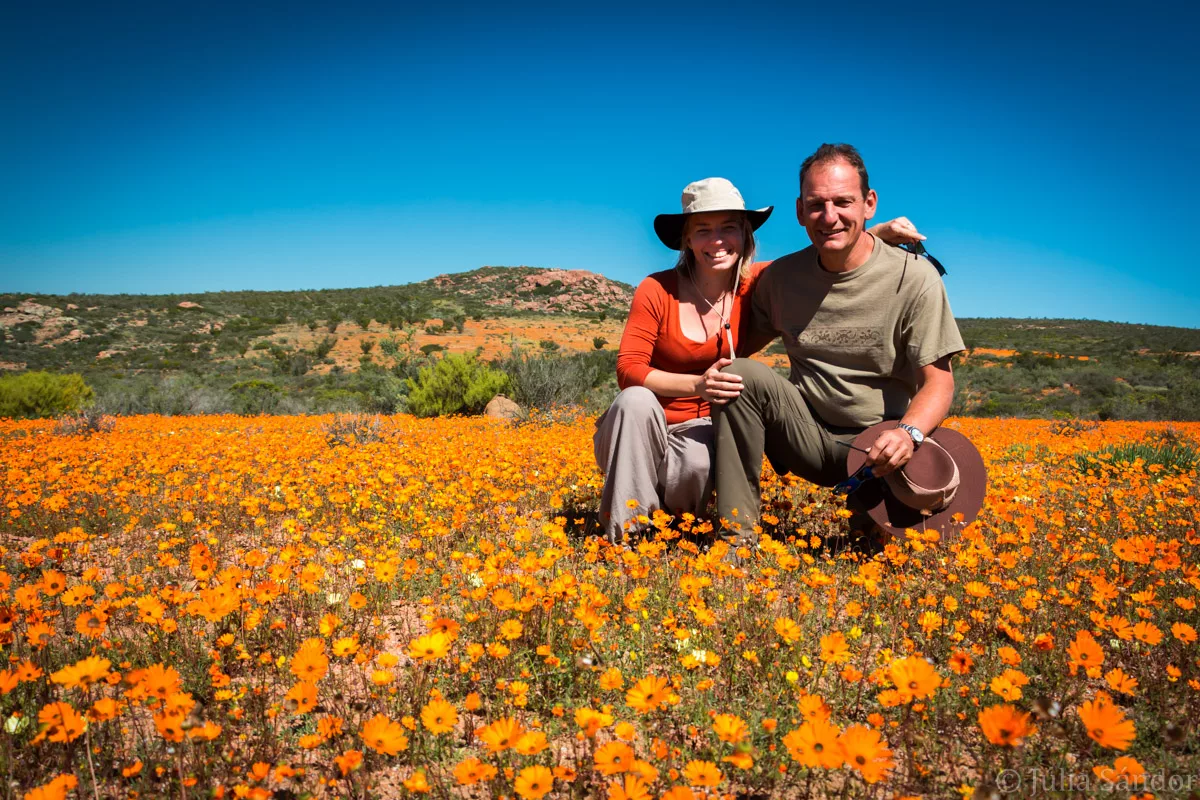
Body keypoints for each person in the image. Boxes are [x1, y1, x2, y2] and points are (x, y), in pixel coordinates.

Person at [593, 175, 924, 542]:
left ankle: (672, 529)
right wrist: (697, 385)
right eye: (703, 230)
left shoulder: (759, 284)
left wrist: (874, 233)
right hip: (643, 426)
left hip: (702, 428)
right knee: (634, 401)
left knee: (700, 459)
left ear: (745, 234)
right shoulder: (656, 289)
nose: (717, 241)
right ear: (686, 238)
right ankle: (626, 537)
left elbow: (819, 258)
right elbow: (629, 369)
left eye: (729, 228)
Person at [713, 143, 966, 542]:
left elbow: (939, 382)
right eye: (816, 205)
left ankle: (873, 508)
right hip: (808, 438)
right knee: (738, 375)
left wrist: (907, 435)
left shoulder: (914, 279)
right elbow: (730, 340)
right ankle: (735, 540)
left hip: (882, 446)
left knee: (881, 549)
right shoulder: (780, 279)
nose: (828, 217)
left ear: (869, 203)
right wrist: (654, 382)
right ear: (799, 211)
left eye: (843, 202)